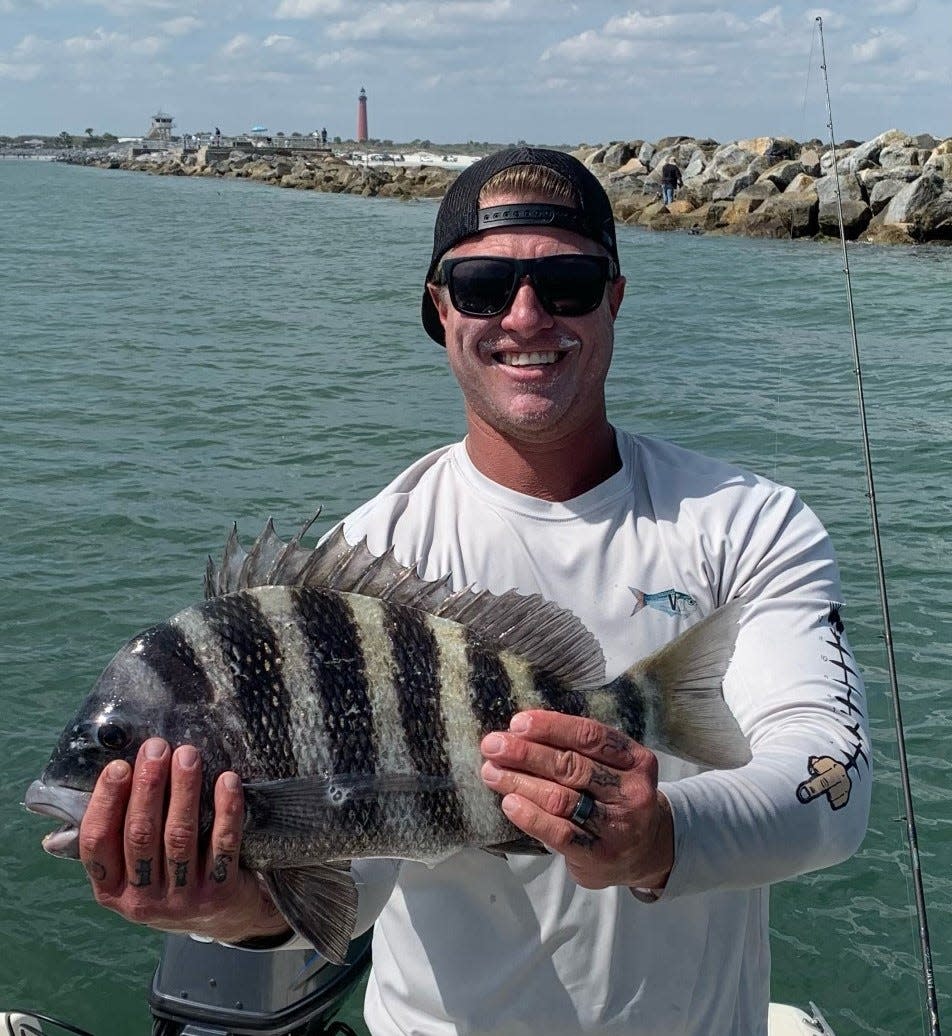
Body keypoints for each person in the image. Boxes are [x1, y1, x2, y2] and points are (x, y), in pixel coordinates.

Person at [78, 147, 871, 1035]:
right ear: (438, 306)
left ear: (614, 296)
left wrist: (658, 839)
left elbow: (830, 784)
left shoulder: (749, 523)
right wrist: (226, 907)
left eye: (567, 281)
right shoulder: (374, 552)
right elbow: (362, 868)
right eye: (484, 283)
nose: (526, 315)